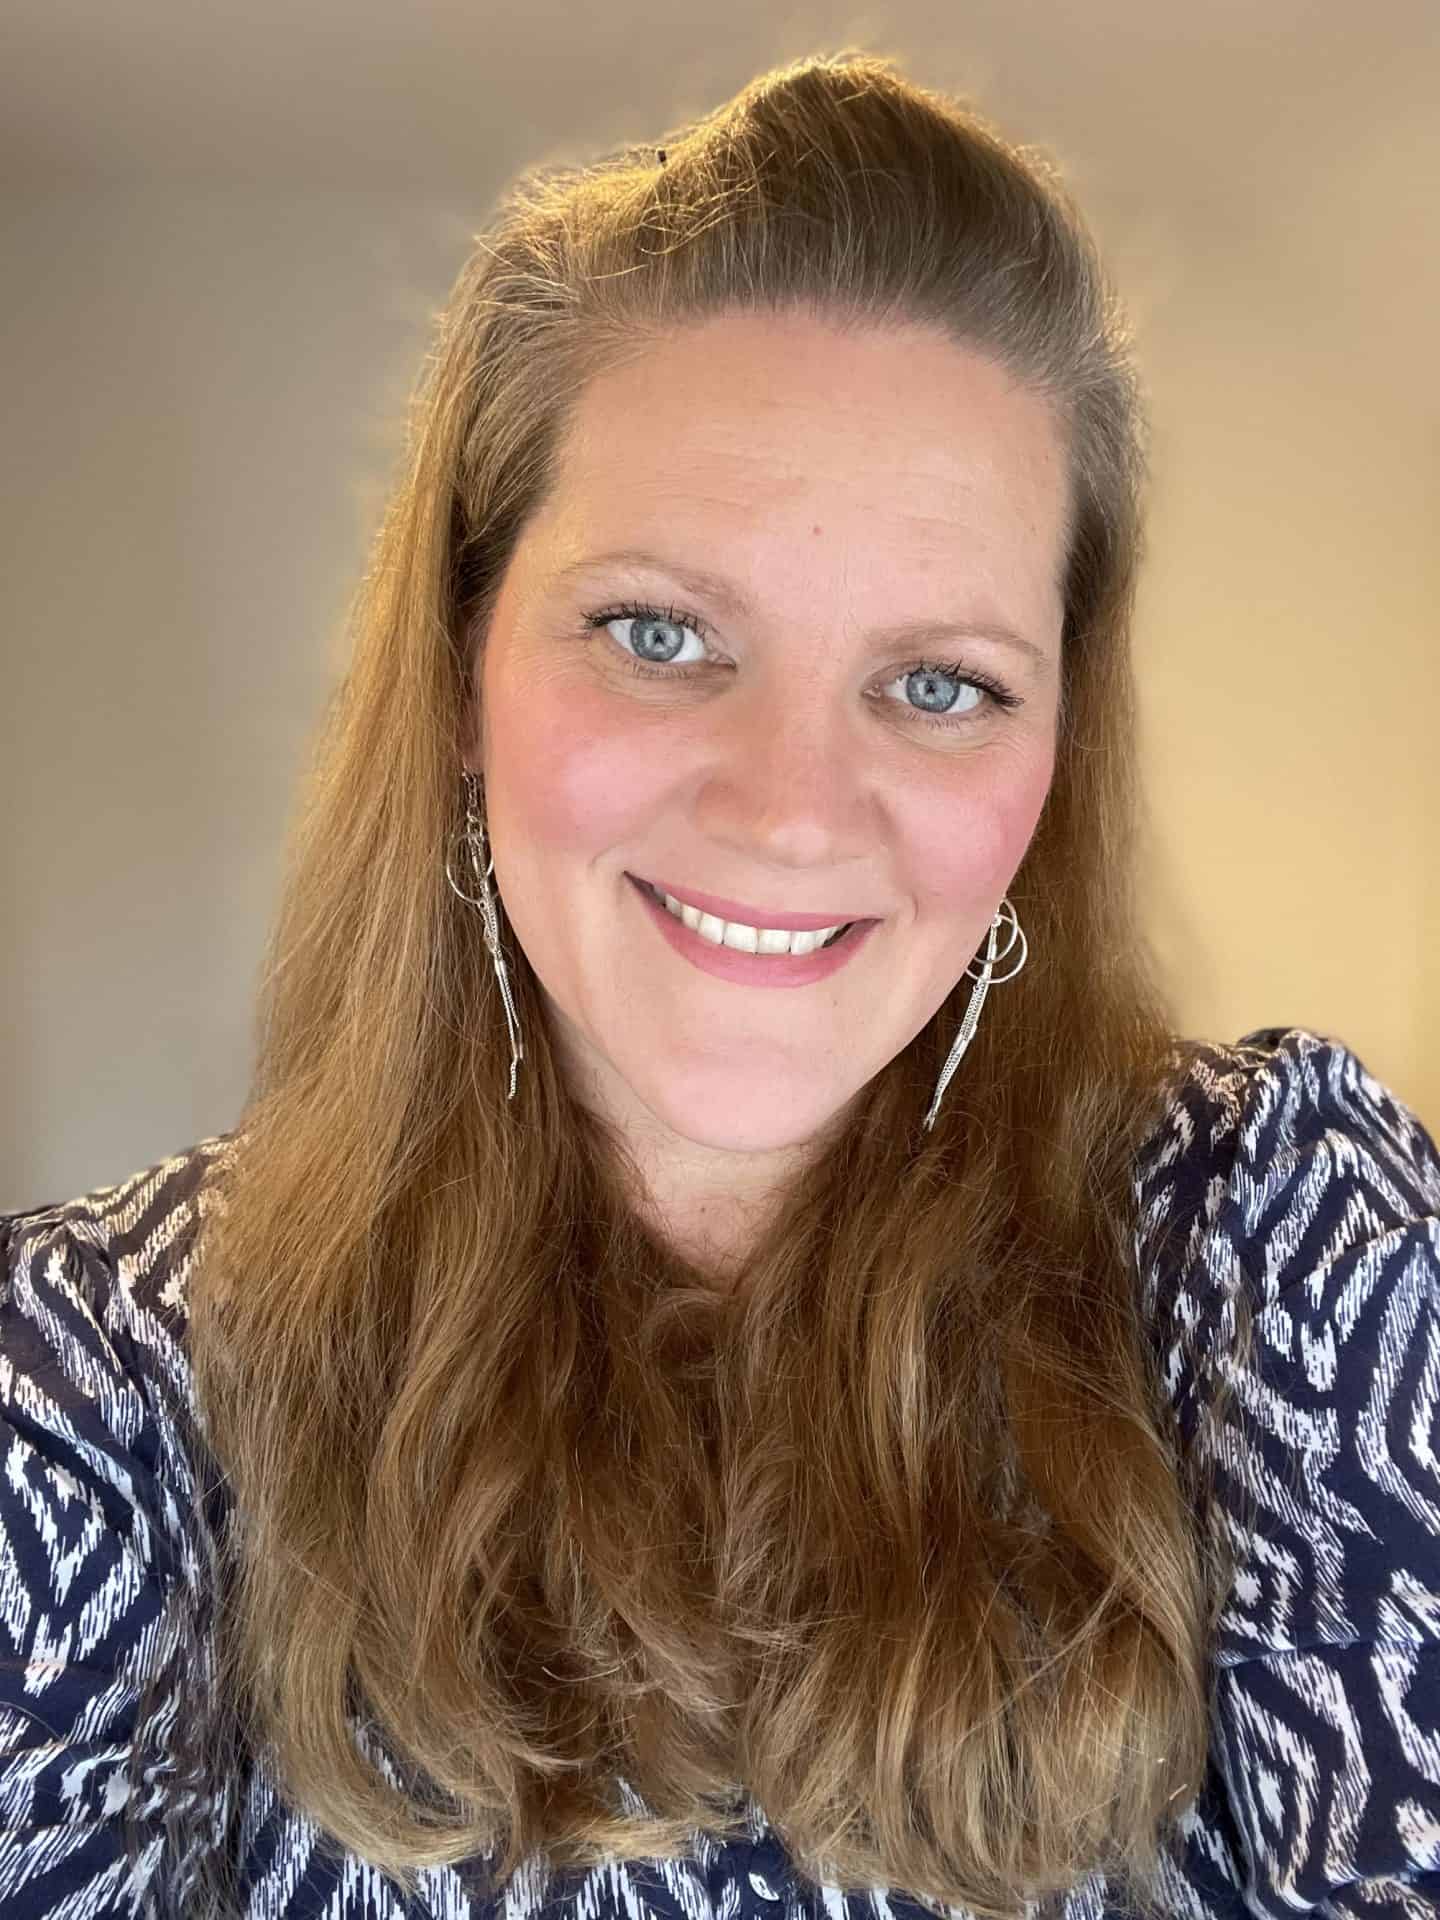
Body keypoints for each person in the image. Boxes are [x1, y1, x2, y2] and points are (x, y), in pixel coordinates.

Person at [1, 47, 1437, 1920]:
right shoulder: (96, 1382)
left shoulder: (1275, 1247)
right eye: (662, 633)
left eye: (942, 683)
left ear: (1053, 759)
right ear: (461, 673)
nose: (789, 811)